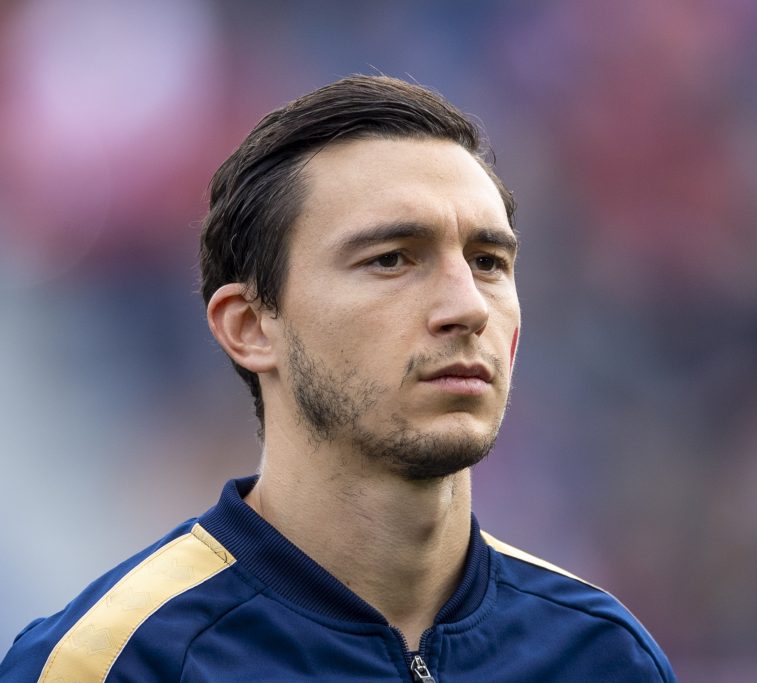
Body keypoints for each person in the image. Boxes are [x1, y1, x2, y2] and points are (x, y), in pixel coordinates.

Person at [0, 75, 677, 682]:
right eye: (391, 259)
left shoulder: (603, 655)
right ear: (249, 326)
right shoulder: (114, 663)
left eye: (488, 262)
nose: (468, 307)